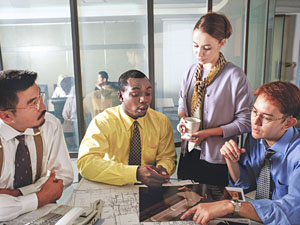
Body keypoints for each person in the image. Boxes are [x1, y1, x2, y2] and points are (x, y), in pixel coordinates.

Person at [181, 81, 300, 225]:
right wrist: (231, 161)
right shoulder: (257, 138)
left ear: (288, 123)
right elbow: (245, 185)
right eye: (254, 111)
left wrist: (231, 206)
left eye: (266, 117)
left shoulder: (297, 155)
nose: (255, 122)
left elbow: (293, 212)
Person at [177, 12, 253, 185]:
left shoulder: (235, 76)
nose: (199, 53)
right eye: (195, 45)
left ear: (222, 43)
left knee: (214, 207)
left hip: (217, 158)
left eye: (207, 47)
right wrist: (182, 121)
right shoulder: (190, 72)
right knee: (184, 203)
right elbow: (182, 103)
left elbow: (246, 121)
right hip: (188, 154)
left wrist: (207, 133)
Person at [77, 69, 176, 187]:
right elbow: (86, 163)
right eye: (135, 94)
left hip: (150, 187)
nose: (144, 99)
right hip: (113, 186)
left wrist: (163, 168)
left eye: (148, 93)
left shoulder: (161, 121)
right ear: (120, 96)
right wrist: (135, 173)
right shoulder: (103, 122)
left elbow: (167, 157)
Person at [0, 70, 74, 221]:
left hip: (45, 215)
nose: (43, 107)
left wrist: (19, 194)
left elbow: (63, 176)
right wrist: (41, 197)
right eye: (33, 103)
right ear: (6, 116)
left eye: (41, 97)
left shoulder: (49, 124)